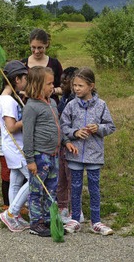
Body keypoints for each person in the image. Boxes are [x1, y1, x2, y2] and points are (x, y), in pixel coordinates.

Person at [60, 67, 116, 236]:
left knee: (94, 188)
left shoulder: (101, 105)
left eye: (80, 85)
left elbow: (111, 127)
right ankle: (75, 219)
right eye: (74, 85)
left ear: (91, 86)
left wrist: (98, 128)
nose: (76, 89)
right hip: (75, 154)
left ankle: (96, 221)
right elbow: (63, 127)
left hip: (94, 155)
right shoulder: (70, 105)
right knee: (75, 187)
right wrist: (74, 133)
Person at [22, 66, 77, 237]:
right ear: (37, 85)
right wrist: (30, 159)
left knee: (51, 189)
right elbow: (27, 135)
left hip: (54, 154)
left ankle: (48, 218)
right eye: (49, 83)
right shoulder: (31, 107)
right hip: (40, 156)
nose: (52, 87)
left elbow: (58, 126)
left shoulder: (52, 102)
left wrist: (66, 141)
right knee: (37, 190)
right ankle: (35, 222)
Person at [0, 60, 32, 232]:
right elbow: (11, 127)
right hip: (16, 148)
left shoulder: (12, 98)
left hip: (16, 147)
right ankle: (11, 213)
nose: (26, 81)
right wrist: (28, 119)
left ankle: (15, 217)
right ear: (16, 79)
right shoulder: (6, 101)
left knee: (15, 181)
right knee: (34, 179)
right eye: (25, 78)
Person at [55, 66, 78, 223]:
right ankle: (62, 206)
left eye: (64, 83)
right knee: (60, 176)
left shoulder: (75, 102)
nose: (61, 86)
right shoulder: (63, 99)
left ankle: (75, 209)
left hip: (73, 145)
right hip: (61, 144)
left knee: (72, 177)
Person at [21, 28, 63, 104]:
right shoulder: (22, 64)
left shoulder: (54, 64)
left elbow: (64, 89)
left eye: (40, 48)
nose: (36, 51)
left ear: (46, 44)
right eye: (33, 47)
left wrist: (51, 90)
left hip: (50, 107)